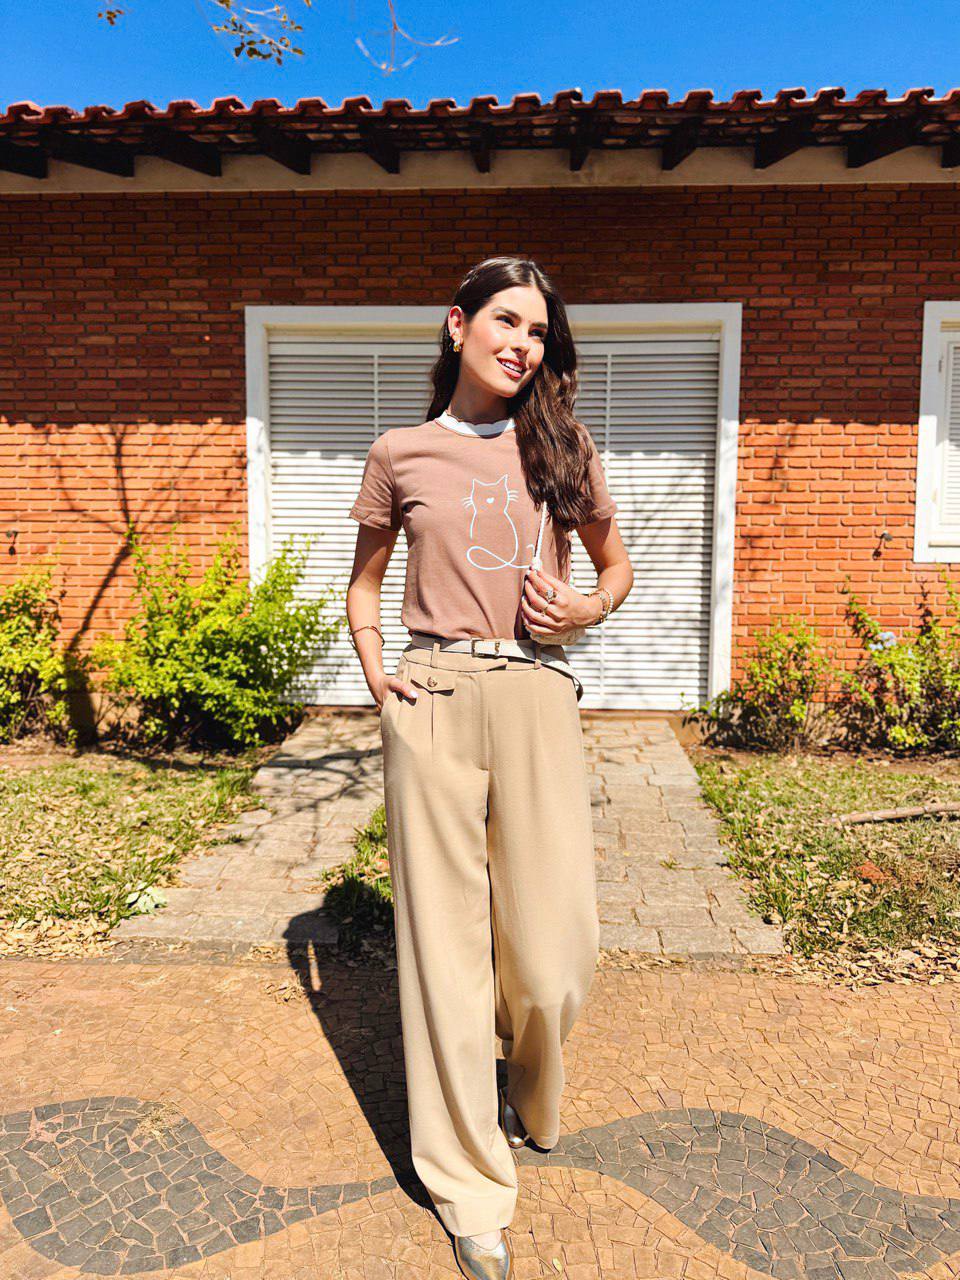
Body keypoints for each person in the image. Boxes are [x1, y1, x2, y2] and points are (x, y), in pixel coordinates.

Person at [346, 255, 633, 1280]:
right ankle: (469, 1185)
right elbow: (365, 583)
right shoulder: (401, 451)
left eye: (539, 331)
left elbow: (615, 564)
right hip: (431, 698)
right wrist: (377, 673)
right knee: (446, 953)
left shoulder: (562, 444)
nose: (523, 343)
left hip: (537, 694)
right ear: (457, 323)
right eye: (507, 320)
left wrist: (588, 608)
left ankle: (529, 1088)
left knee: (554, 956)